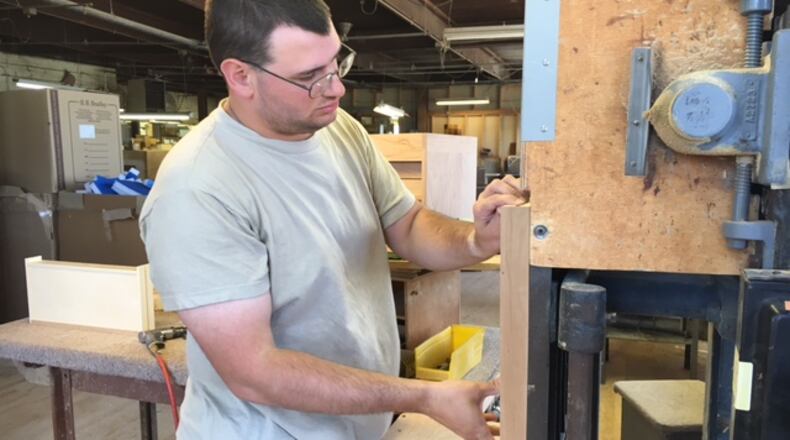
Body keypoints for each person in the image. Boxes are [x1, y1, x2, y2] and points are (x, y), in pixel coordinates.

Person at [140, 0, 527, 439]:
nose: (336, 88)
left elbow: (409, 222)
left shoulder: (337, 127)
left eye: (336, 62)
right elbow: (255, 372)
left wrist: (477, 240)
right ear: (240, 76)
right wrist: (422, 395)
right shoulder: (198, 189)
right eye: (309, 76)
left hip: (356, 426)